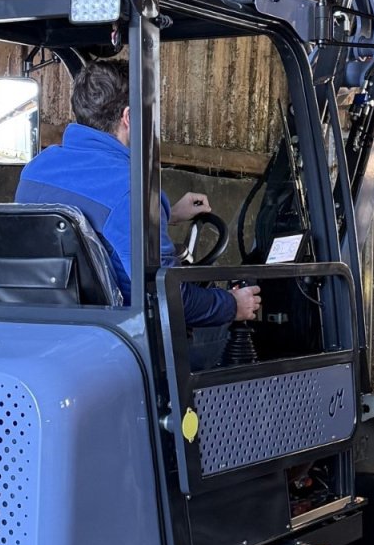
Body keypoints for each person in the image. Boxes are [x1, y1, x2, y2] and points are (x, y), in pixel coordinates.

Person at [16, 59, 261, 343]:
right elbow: (169, 297)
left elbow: (95, 223)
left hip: (40, 332)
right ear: (129, 116)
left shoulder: (36, 169)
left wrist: (165, 214)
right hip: (117, 341)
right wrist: (232, 305)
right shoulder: (132, 188)